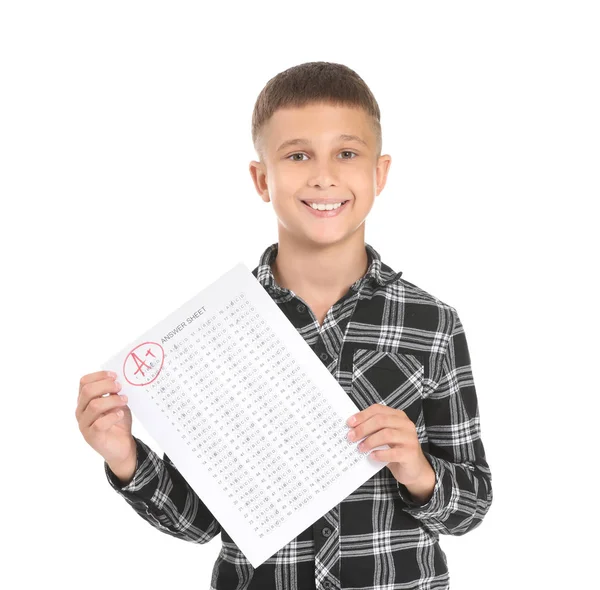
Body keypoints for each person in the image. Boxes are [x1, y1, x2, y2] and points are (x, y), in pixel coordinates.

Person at [76, 61, 493, 589]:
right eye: (298, 155)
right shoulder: (213, 334)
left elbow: (472, 504)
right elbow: (202, 522)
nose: (323, 176)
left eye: (347, 153)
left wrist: (417, 469)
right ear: (261, 179)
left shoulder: (432, 323)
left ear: (380, 173)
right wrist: (125, 456)